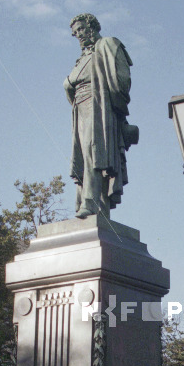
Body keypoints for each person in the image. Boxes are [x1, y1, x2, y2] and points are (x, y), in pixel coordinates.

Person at [64, 13, 138, 218]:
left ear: (92, 27)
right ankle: (87, 202)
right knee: (82, 154)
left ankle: (91, 201)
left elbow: (122, 79)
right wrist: (68, 83)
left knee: (93, 152)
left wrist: (115, 106)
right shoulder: (81, 58)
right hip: (80, 107)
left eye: (81, 29)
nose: (78, 35)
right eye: (75, 32)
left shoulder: (107, 44)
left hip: (99, 106)